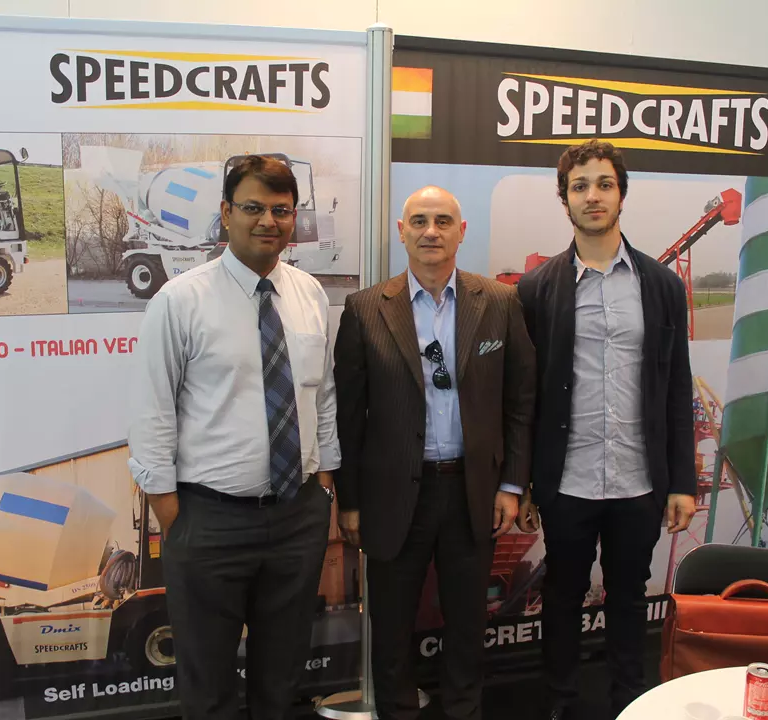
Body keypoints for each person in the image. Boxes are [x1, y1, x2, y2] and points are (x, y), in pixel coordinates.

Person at [127, 155, 340, 720]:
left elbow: (323, 395)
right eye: (253, 207)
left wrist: (324, 480)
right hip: (208, 520)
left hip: (297, 517)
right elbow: (152, 409)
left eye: (281, 210)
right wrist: (171, 509)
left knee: (282, 677)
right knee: (208, 683)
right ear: (225, 213)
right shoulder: (180, 300)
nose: (268, 221)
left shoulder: (310, 294)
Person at [333, 185, 535, 720]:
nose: (431, 231)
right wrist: (350, 501)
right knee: (391, 631)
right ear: (401, 231)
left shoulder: (499, 303)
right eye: (419, 221)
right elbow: (348, 417)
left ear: (461, 232)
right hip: (392, 497)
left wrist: (512, 484)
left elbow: (520, 401)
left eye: (443, 221)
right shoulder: (365, 309)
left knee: (468, 628)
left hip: (473, 494)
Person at [515, 139, 697, 720]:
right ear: (564, 199)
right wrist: (523, 483)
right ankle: (560, 702)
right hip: (565, 480)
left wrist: (683, 482)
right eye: (580, 186)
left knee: (628, 597)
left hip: (637, 480)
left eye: (603, 184)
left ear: (621, 194)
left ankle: (629, 702)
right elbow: (524, 397)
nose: (592, 196)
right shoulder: (537, 289)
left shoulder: (661, 286)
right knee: (562, 596)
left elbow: (677, 387)